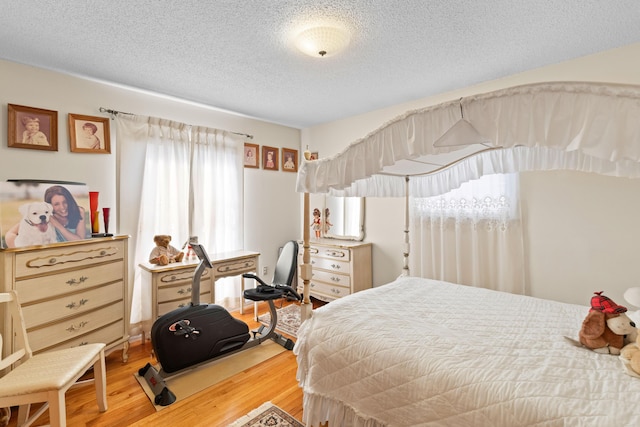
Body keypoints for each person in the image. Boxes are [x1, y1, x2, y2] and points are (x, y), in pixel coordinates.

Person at [4, 185, 87, 246]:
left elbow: (80, 242)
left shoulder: (78, 211)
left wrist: (56, 224)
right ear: (50, 206)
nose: (62, 207)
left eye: (65, 202)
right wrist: (21, 252)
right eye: (56, 204)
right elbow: (9, 235)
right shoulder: (44, 216)